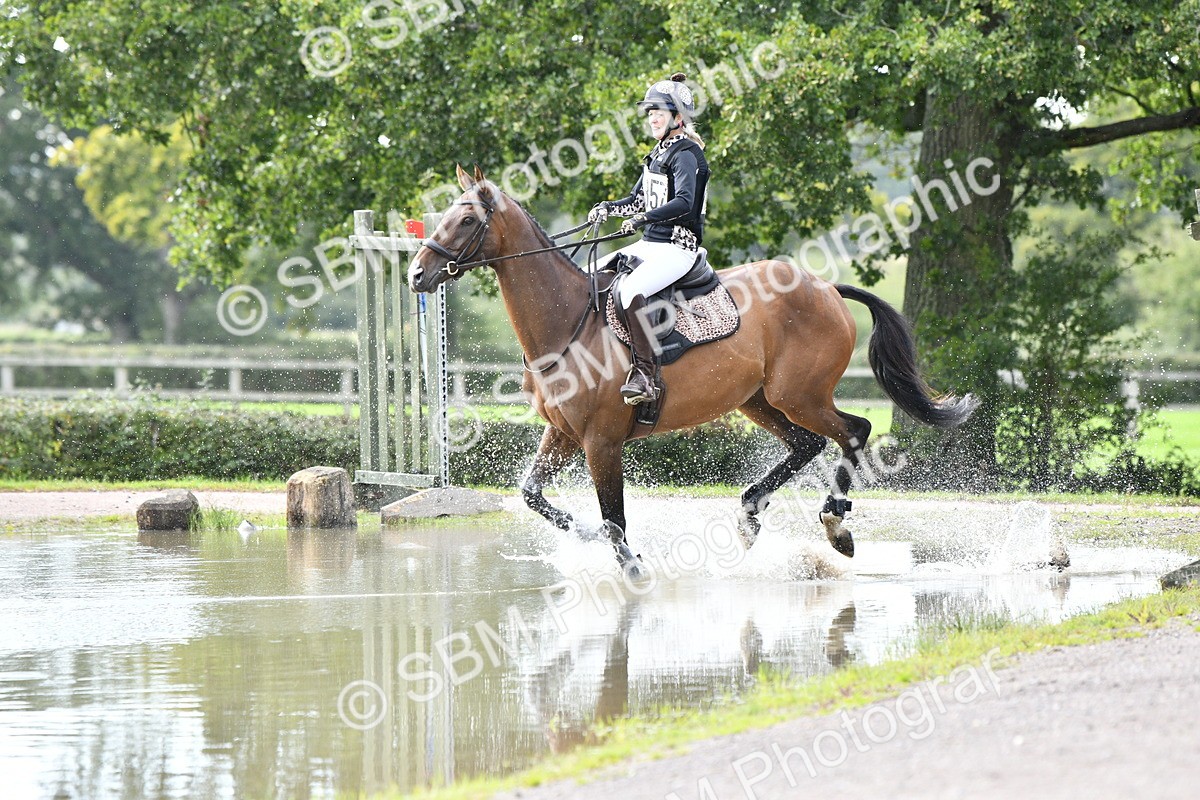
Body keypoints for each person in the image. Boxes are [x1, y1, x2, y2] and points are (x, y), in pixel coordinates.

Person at [588, 72, 710, 405]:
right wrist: (608, 208)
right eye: (649, 111)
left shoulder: (685, 154)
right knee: (590, 275)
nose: (652, 116)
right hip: (652, 245)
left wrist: (642, 219)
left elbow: (685, 202)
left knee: (630, 289)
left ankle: (644, 374)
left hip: (677, 247)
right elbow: (638, 200)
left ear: (678, 117)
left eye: (658, 110)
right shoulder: (657, 154)